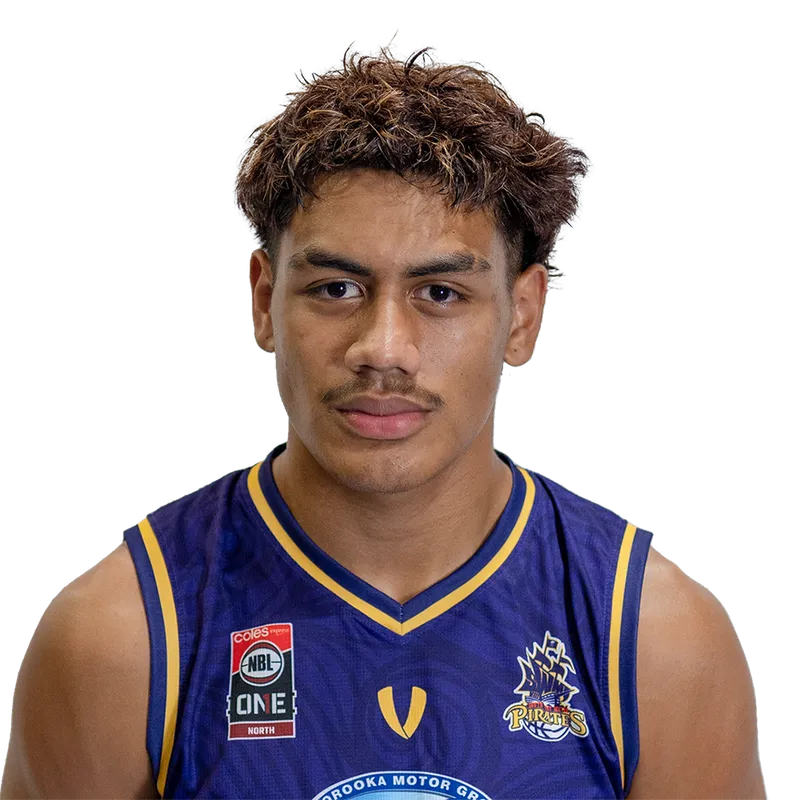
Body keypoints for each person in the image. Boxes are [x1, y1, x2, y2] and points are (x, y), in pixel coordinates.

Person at [0, 43, 766, 800]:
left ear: (522, 315)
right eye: (336, 288)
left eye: (440, 294)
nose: (383, 349)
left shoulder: (652, 640)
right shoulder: (122, 639)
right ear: (263, 301)